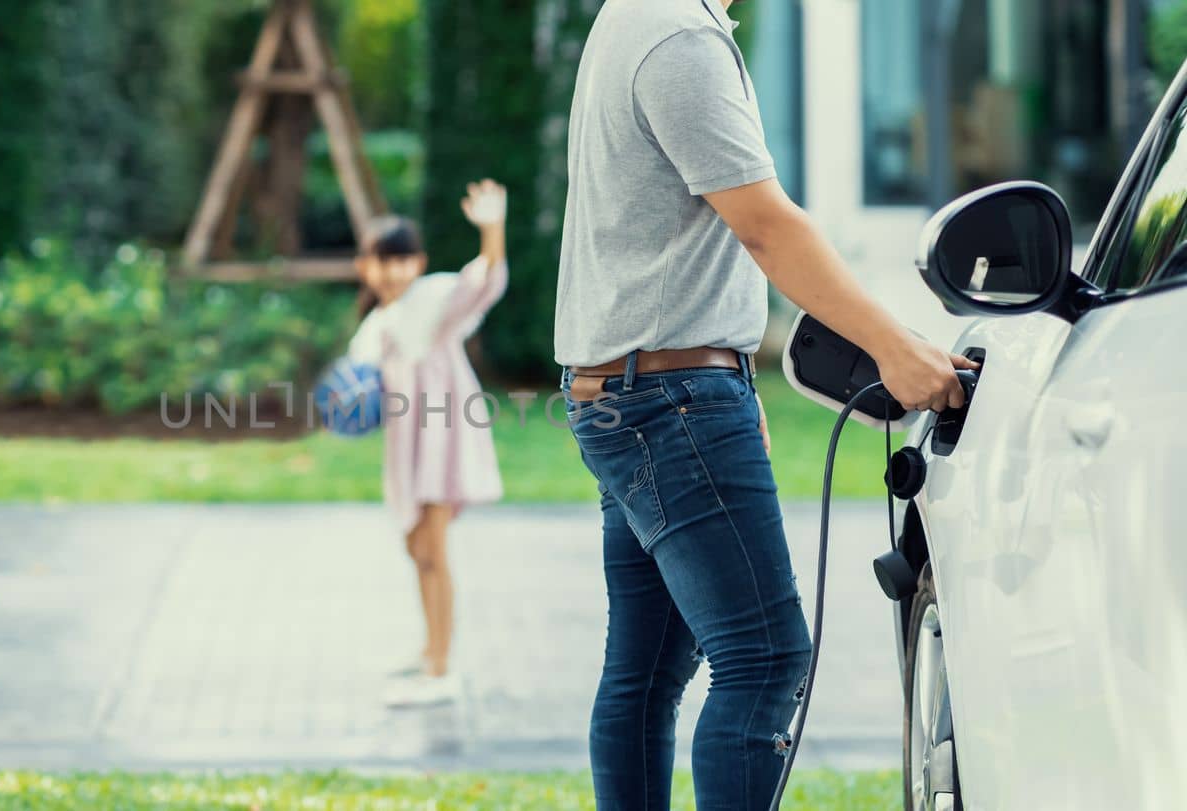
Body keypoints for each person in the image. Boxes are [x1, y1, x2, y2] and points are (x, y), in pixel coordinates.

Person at [555, 1, 977, 808]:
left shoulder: (634, 17)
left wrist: (733, 385)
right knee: (765, 657)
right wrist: (894, 345)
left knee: (645, 670)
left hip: (634, 391)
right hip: (671, 399)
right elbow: (765, 226)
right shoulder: (678, 35)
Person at [347, 180, 509, 707]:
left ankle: (441, 669)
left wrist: (491, 229)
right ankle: (429, 651)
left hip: (443, 439)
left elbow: (482, 282)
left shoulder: (433, 301)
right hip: (407, 446)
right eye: (382, 261)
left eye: (402, 259)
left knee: (433, 550)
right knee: (416, 547)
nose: (393, 271)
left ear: (417, 263)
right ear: (365, 267)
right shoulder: (376, 326)